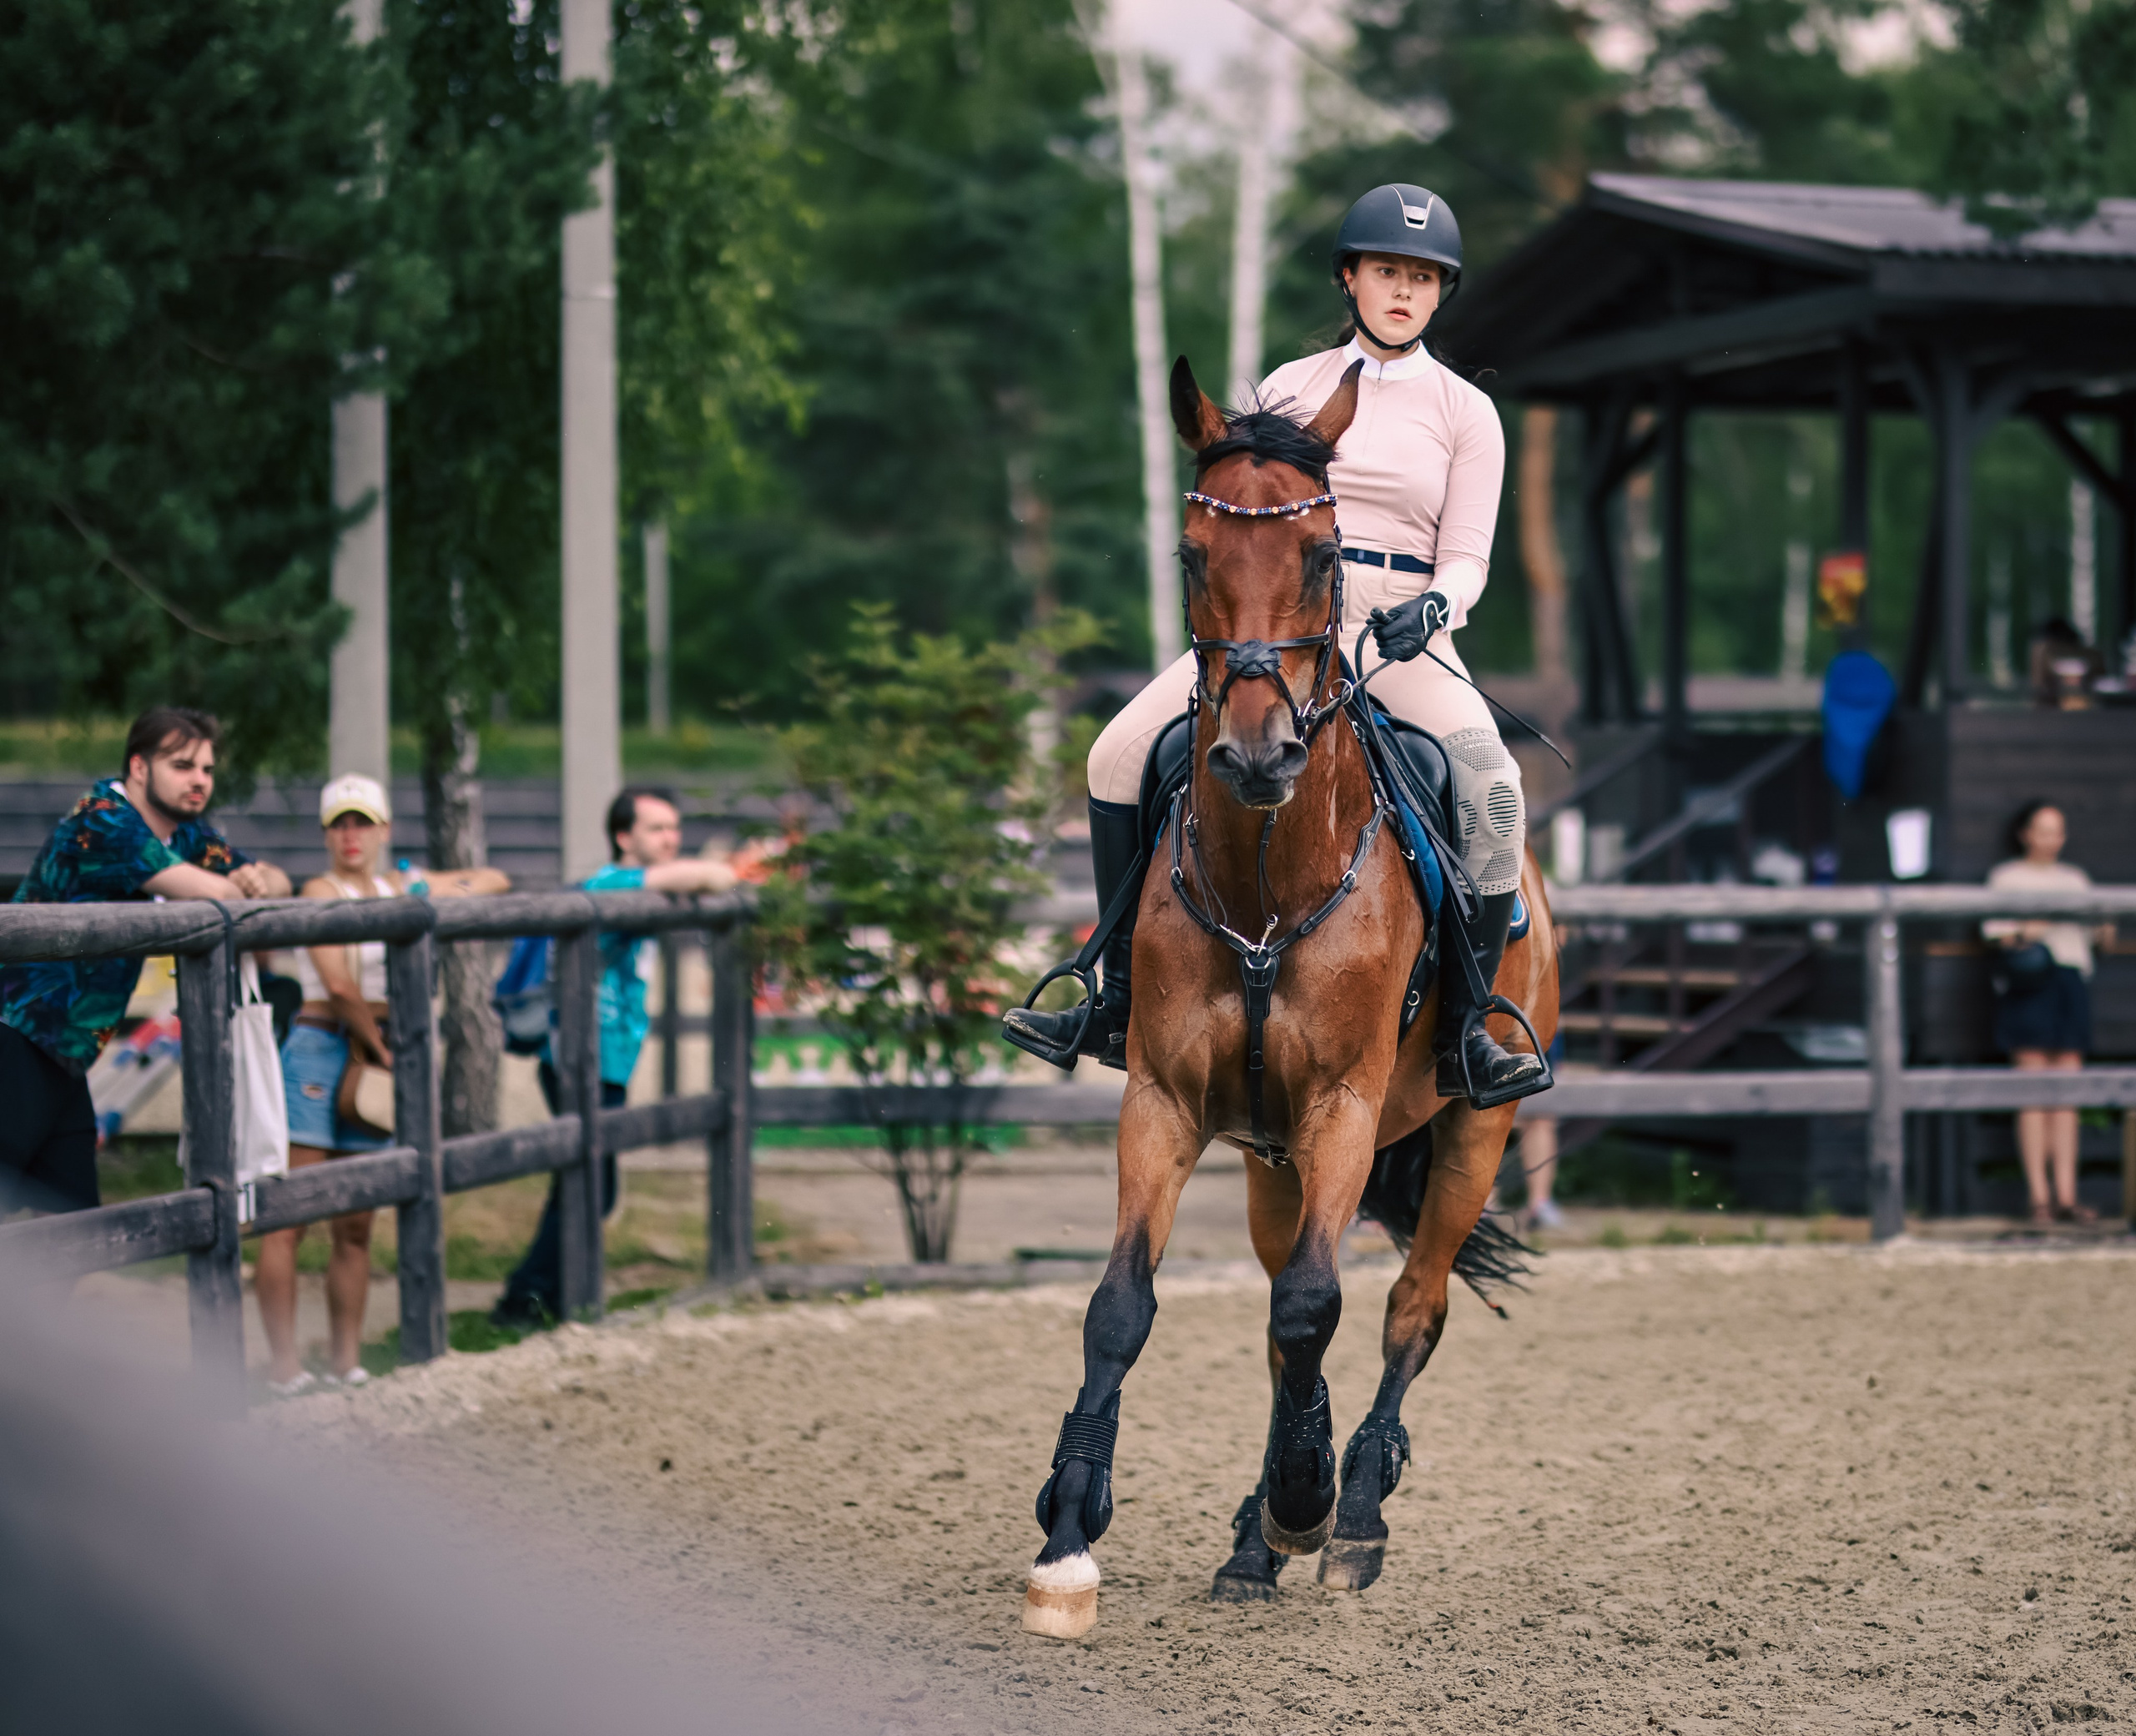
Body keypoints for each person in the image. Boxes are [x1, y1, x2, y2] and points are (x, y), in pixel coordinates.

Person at [1005, 182, 1547, 1107]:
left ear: (1438, 293)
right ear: (1350, 278)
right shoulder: (1288, 388)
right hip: (1276, 616)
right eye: (1387, 271)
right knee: (1113, 754)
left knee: (1493, 787)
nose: (1403, 291)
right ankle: (1112, 997)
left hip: (1402, 628)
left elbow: (1468, 556)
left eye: (1422, 278)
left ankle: (1468, 1025)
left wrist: (1436, 607)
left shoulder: (1466, 412)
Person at [258, 774, 509, 1396]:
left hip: (376, 1052)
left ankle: (347, 1362)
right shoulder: (320, 889)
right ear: (326, 833)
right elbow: (337, 984)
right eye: (340, 823)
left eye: (362, 822)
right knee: (287, 1218)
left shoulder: (394, 885)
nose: (351, 835)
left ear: (383, 830)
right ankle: (284, 1367)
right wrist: (380, 1046)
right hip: (328, 1047)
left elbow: (495, 880)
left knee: (356, 1222)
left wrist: (419, 886)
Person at [0, 708, 291, 1217]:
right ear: (139, 767)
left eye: (207, 769)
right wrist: (241, 884)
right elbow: (210, 891)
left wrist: (259, 881)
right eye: (182, 766)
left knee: (76, 1229)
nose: (199, 780)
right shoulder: (103, 820)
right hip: (16, 1040)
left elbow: (277, 882)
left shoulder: (184, 836)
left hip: (66, 1057)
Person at [491, 787, 741, 1329]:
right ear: (624, 837)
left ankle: (550, 1297)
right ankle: (526, 1297)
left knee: (587, 1182)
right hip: (578, 1057)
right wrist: (721, 870)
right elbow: (704, 878)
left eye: (674, 827)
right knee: (591, 1185)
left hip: (607, 1058)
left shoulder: (644, 890)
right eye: (657, 829)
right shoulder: (611, 884)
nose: (670, 838)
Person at [1982, 801, 2111, 1225]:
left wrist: (2104, 924)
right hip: (2030, 982)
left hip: (2070, 980)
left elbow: (2099, 939)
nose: (2051, 838)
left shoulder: (2077, 879)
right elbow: (1998, 935)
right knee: (2033, 1091)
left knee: (2068, 1094)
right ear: (2025, 833)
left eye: (2058, 830)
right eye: (2043, 829)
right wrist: (2042, 922)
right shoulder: (2006, 877)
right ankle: (2039, 1197)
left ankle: (2067, 1196)